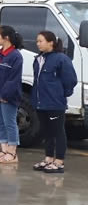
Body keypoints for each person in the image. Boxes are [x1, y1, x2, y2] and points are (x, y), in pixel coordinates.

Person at [31, 31, 77, 173]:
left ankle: (59, 161)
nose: (38, 44)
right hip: (40, 102)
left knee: (58, 131)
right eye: (37, 41)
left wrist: (61, 94)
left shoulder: (61, 59)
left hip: (55, 103)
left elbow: (70, 80)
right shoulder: (38, 59)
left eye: (41, 41)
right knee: (47, 132)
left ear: (51, 42)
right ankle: (49, 158)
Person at [0, 25, 24, 164]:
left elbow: (14, 79)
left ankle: (12, 152)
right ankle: (4, 149)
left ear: (6, 37)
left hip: (7, 97)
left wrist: (5, 94)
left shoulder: (15, 56)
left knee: (10, 123)